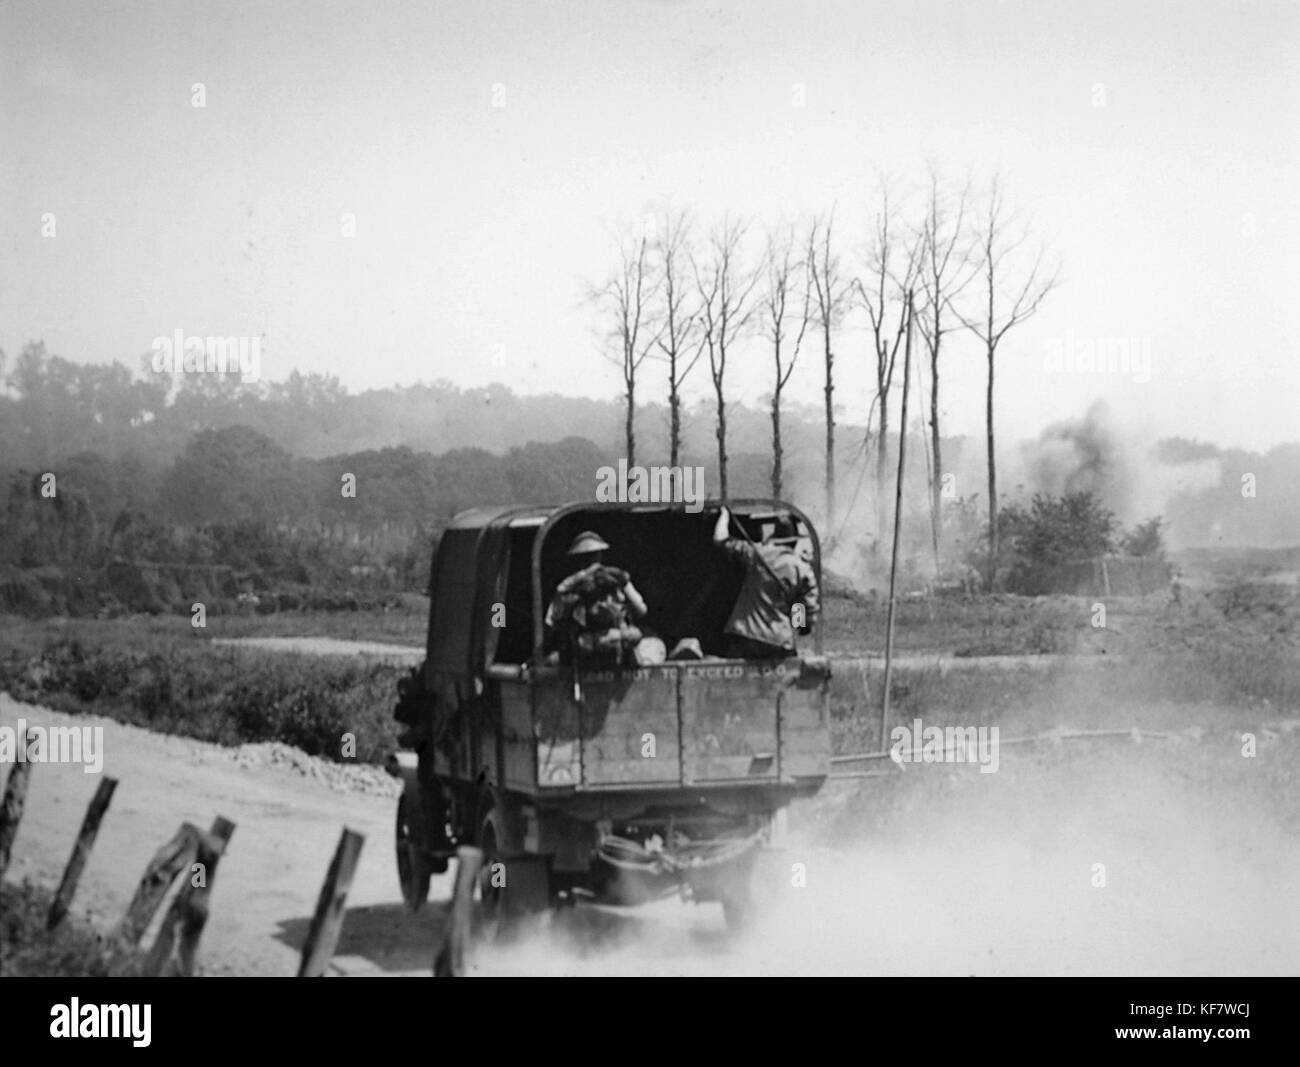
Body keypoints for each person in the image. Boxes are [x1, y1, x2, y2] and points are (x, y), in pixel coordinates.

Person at [712, 505, 819, 658]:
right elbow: (802, 612)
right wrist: (801, 627)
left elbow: (720, 539)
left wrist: (724, 514)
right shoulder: (802, 568)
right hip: (778, 642)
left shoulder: (756, 553)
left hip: (746, 636)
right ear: (794, 541)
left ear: (774, 536)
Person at [545, 531, 648, 666]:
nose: (590, 560)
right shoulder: (570, 587)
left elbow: (641, 610)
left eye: (593, 555)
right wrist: (578, 581)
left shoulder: (617, 578)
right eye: (586, 556)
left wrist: (621, 581)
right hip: (584, 654)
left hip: (620, 654)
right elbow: (552, 621)